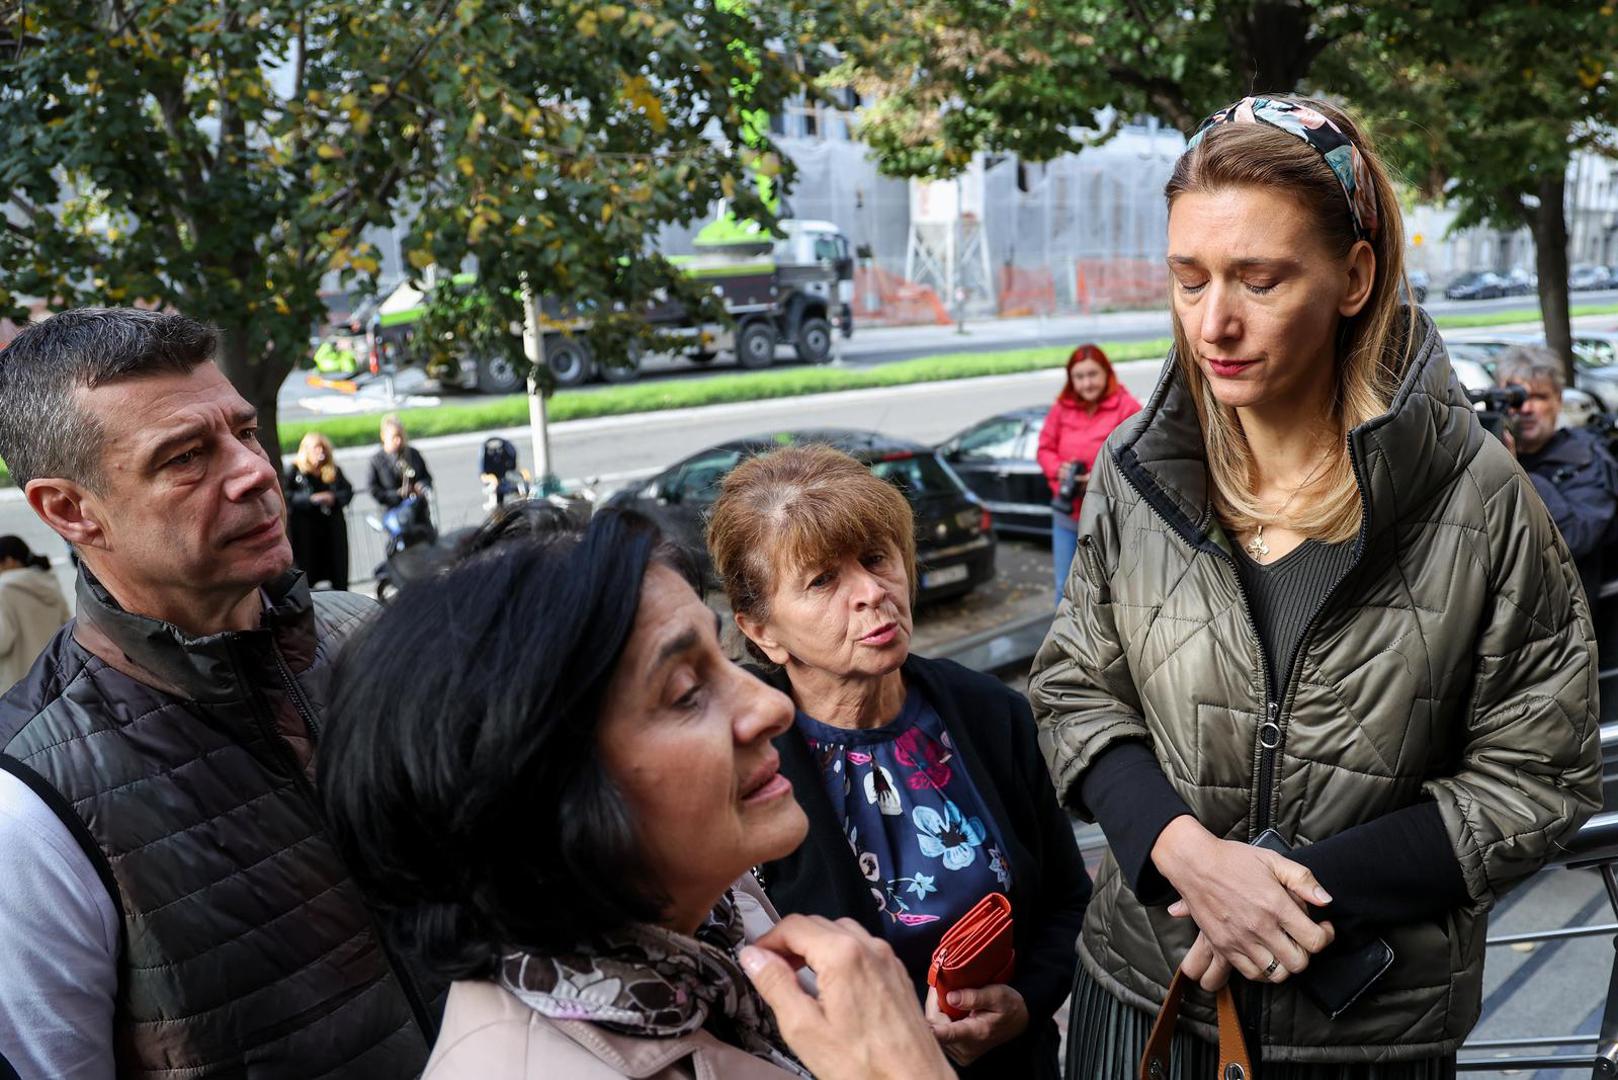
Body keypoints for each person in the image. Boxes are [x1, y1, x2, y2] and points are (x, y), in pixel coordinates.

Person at [1030, 95, 1601, 1077]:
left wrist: (1285, 893)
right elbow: (1074, 686)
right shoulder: (1136, 470)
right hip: (1143, 1002)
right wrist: (1184, 855)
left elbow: (1536, 779)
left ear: (1354, 275)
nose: (1215, 322)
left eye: (1259, 279)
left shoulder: (1483, 503)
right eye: (1188, 278)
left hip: (1364, 1035)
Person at [318, 504, 957, 1080]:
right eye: (685, 693)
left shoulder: (708, 920)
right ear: (540, 799)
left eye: (722, 659)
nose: (769, 706)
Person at [0, 308, 440, 1078]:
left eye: (245, 432)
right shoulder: (27, 811)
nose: (254, 472)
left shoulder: (368, 638)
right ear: (68, 510)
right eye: (186, 457)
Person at [706, 445, 1091, 1078]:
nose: (871, 593)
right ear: (762, 631)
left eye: (877, 558)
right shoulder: (739, 757)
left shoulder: (990, 713)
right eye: (823, 580)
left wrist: (1022, 1003)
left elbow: (1067, 902)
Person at [1495, 344, 1618, 600]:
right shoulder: (1489, 455)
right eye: (1516, 398)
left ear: (1559, 401)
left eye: (1539, 397)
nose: (1526, 408)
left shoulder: (1587, 456)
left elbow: (1576, 537)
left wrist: (1514, 470)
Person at [1037, 344, 1143, 600]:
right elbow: (1044, 449)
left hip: (1110, 518)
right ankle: (1066, 640)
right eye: (1079, 377)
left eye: (1092, 374)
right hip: (1068, 515)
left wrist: (1100, 473)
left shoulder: (1126, 407)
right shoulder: (1062, 408)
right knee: (1066, 588)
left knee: (1112, 590)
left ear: (1107, 373)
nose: (1086, 384)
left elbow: (1141, 455)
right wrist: (1058, 469)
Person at [285, 430, 355, 590]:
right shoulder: (295, 471)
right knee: (307, 571)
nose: (321, 453)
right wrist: (310, 499)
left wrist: (333, 498)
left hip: (331, 530)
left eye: (323, 448)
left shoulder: (333, 470)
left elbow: (347, 491)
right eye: (317, 449)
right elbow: (287, 496)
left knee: (337, 570)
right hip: (306, 532)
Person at [0, 536, 70, 691]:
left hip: (21, 684)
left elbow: (2, 641)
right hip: (56, 675)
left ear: (9, 561)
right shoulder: (48, 582)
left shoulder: (4, 590)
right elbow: (67, 623)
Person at [368, 414, 435, 548]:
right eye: (394, 437)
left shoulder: (413, 454)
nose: (398, 441)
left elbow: (427, 477)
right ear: (383, 437)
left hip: (419, 515)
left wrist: (421, 486)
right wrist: (397, 494)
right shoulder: (376, 460)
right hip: (394, 516)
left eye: (401, 436)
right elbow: (373, 489)